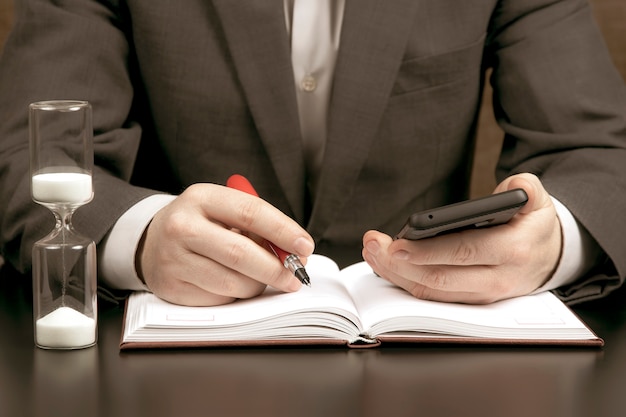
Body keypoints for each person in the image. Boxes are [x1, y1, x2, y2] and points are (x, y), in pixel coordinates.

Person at [0, 0, 625, 307]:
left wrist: (552, 243)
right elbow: (30, 149)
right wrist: (140, 238)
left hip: (428, 359)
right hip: (164, 360)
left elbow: (600, 153)